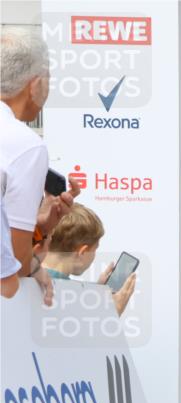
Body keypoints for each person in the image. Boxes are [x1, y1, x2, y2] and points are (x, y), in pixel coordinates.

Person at [1, 25, 78, 303]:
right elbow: (15, 260)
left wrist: (40, 227)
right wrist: (34, 265)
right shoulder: (25, 144)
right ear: (35, 84)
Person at [42, 203, 136, 315]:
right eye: (95, 249)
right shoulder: (61, 296)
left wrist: (97, 292)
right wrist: (113, 312)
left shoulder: (26, 278)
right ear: (82, 252)